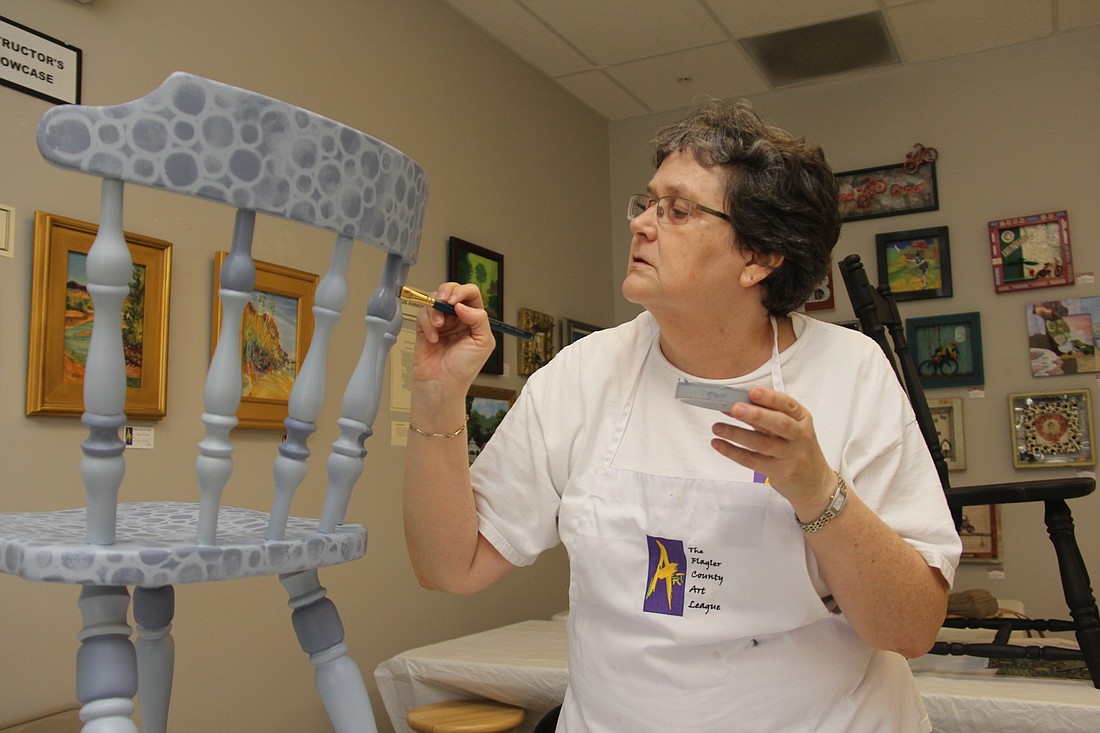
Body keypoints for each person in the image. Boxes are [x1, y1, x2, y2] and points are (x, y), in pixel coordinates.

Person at [403, 99, 961, 732]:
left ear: (759, 257)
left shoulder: (849, 373)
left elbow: (910, 629)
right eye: (646, 203)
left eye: (678, 210)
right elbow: (451, 566)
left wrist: (815, 488)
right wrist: (437, 394)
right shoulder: (582, 375)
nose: (642, 224)